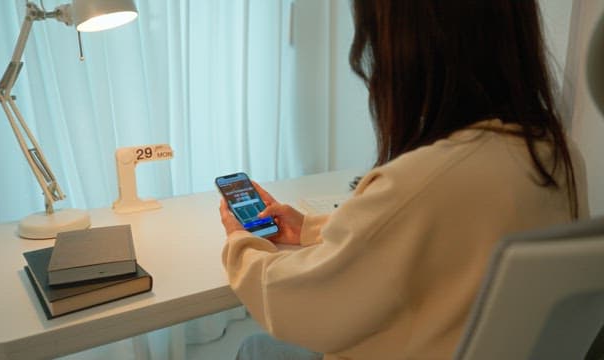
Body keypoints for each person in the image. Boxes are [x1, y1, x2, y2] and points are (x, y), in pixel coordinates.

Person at [218, 0, 590, 359]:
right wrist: (309, 228)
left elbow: (293, 302)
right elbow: (435, 232)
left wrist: (241, 241)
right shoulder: (557, 154)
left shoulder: (420, 180)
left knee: (257, 348)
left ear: (407, 50)